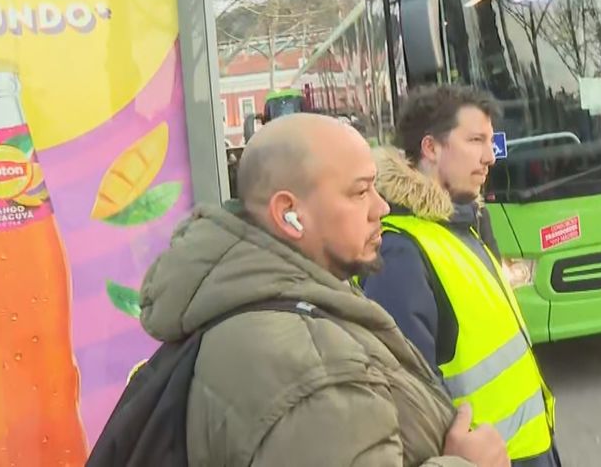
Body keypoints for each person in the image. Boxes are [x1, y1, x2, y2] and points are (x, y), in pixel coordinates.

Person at [137, 112, 509, 467]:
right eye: (360, 192)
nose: (381, 207)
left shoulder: (290, 304)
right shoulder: (310, 371)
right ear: (289, 214)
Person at [360, 85, 562, 467]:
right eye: (475, 140)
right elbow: (407, 400)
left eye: (490, 142)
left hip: (526, 450)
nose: (489, 157)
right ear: (431, 148)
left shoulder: (464, 224)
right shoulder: (401, 250)